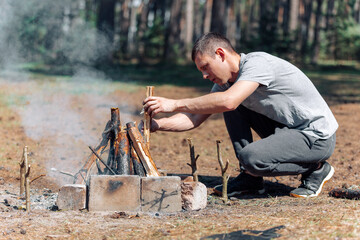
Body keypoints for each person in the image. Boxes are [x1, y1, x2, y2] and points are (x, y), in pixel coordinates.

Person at [142, 32, 338, 198]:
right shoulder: (226, 83)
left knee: (250, 155)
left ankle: (316, 169)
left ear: (220, 54)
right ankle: (251, 179)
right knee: (226, 103)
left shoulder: (257, 64)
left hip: (316, 136)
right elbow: (194, 118)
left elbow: (228, 101)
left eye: (205, 67)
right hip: (288, 130)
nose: (204, 75)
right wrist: (158, 125)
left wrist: (174, 103)